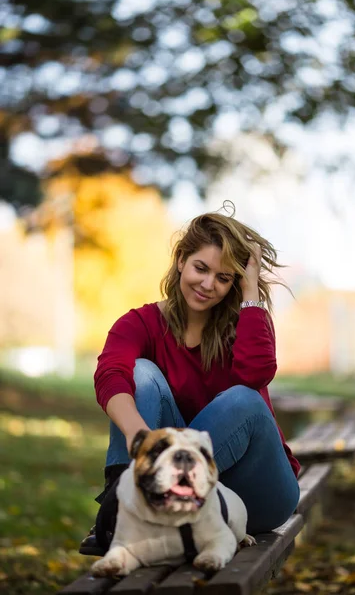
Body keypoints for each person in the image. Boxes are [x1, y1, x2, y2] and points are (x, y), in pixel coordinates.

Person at [79, 203, 300, 556]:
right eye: (201, 268)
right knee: (141, 374)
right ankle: (122, 502)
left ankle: (140, 510)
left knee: (243, 398)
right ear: (181, 259)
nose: (208, 284)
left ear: (235, 283)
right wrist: (141, 439)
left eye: (224, 277)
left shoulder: (246, 323)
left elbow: (255, 376)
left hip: (257, 493)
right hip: (178, 489)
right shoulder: (141, 323)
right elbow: (110, 376)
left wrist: (251, 292)